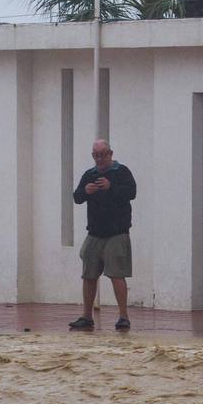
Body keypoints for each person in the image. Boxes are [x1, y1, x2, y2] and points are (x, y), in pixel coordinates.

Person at [70, 139, 137, 331]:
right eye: (95, 155)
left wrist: (111, 187)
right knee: (88, 274)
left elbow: (132, 193)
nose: (99, 158)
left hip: (117, 232)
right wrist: (86, 191)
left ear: (110, 154)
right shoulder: (89, 174)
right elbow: (77, 197)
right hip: (95, 232)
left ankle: (123, 316)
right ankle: (86, 316)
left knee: (117, 274)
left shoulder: (122, 172)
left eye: (103, 154)